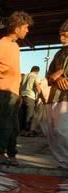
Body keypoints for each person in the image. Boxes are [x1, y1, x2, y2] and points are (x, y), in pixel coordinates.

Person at [0, 11, 34, 166]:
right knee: (5, 124)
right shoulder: (1, 44)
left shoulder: (15, 46)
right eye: (25, 27)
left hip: (13, 93)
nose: (27, 30)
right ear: (16, 29)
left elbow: (15, 72)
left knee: (14, 126)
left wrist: (17, 95)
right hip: (4, 91)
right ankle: (0, 154)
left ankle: (11, 154)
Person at [45, 19, 68, 167]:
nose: (61, 38)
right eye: (60, 35)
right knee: (53, 132)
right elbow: (48, 77)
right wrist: (56, 77)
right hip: (55, 97)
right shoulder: (59, 53)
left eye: (65, 35)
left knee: (61, 130)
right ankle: (63, 163)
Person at [20, 66, 42, 136]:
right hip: (30, 96)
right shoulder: (35, 75)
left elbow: (20, 86)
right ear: (37, 71)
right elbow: (38, 86)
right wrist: (41, 96)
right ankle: (27, 132)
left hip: (23, 96)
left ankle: (22, 131)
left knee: (23, 114)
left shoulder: (25, 76)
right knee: (29, 115)